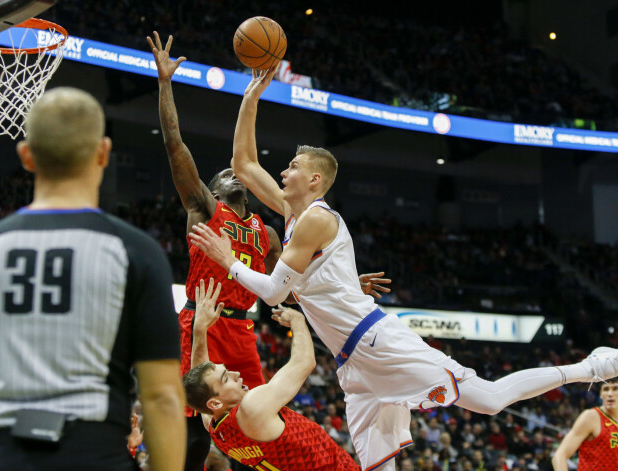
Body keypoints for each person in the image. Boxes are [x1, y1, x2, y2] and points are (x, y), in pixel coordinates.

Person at [188, 67, 618, 471]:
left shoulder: (317, 218)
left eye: (293, 167)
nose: (283, 171)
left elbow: (274, 293)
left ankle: (589, 368)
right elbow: (244, 164)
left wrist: (229, 261)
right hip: (352, 363)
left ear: (316, 180)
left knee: (487, 400)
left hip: (377, 343)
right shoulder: (294, 216)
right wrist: (250, 96)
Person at [146, 31, 391, 471]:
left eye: (233, 173)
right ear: (216, 188)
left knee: (255, 430)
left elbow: (292, 285)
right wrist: (165, 83)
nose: (232, 176)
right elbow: (174, 146)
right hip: (202, 321)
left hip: (242, 333)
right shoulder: (204, 208)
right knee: (195, 424)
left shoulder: (267, 234)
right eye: (224, 174)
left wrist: (347, 284)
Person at [0, 88, 186, 471]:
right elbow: (162, 395)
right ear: (104, 152)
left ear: (26, 156)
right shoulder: (136, 252)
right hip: (93, 454)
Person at [183, 278, 360, 471]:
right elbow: (304, 362)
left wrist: (199, 329)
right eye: (226, 378)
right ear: (216, 402)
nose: (235, 374)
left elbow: (199, 384)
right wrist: (298, 321)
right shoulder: (251, 408)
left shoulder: (215, 426)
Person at [552, 378, 618, 470]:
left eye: (615, 389)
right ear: (601, 394)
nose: (610, 394)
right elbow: (560, 455)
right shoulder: (591, 417)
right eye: (606, 389)